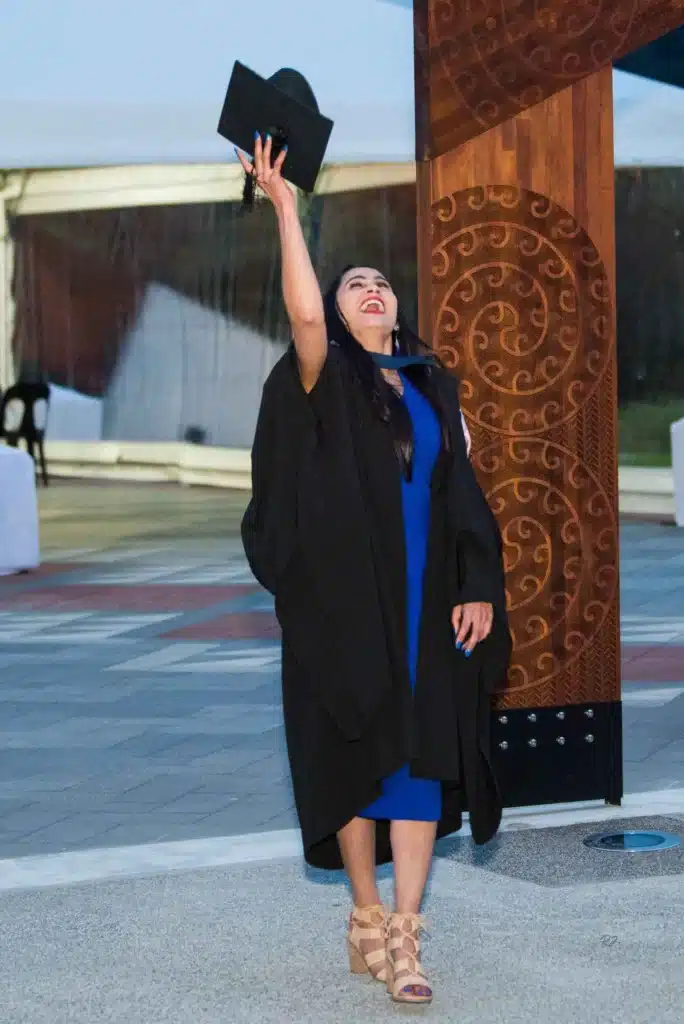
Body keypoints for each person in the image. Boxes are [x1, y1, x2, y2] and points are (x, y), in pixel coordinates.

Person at [239, 136, 511, 1006]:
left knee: (422, 761)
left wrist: (477, 585)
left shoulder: (432, 387)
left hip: (428, 602)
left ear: (396, 313)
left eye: (382, 285)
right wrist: (286, 208)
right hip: (350, 609)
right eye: (354, 283)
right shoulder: (325, 379)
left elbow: (463, 494)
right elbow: (305, 320)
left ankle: (405, 935)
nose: (371, 289)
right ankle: (364, 915)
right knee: (354, 757)